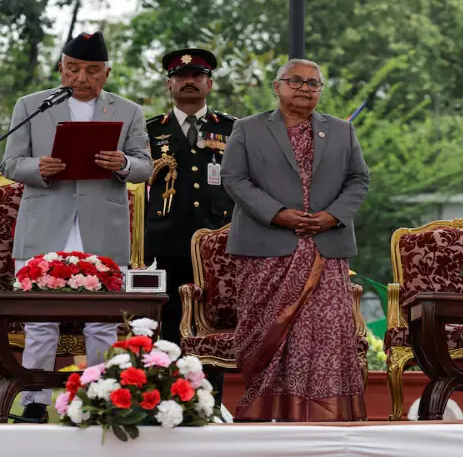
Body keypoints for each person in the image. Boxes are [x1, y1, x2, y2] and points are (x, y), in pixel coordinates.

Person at [0, 31, 153, 422]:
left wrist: (121, 164)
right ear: (61, 68)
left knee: (101, 324)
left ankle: (96, 400)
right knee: (40, 321)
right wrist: (39, 168)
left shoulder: (128, 110)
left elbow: (144, 165)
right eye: (73, 69)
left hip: (101, 226)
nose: (81, 79)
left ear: (107, 72)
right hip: (45, 224)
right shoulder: (32, 105)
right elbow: (11, 163)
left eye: (92, 70)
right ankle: (35, 402)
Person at [221, 58, 370, 422]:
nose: (305, 88)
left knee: (323, 339)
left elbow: (359, 180)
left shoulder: (340, 131)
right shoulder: (248, 128)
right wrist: (277, 213)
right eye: (296, 81)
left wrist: (332, 216)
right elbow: (234, 178)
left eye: (313, 83)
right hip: (266, 249)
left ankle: (323, 419)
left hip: (325, 249)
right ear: (277, 86)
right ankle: (265, 414)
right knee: (265, 335)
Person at [144, 48, 236, 406]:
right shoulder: (150, 130)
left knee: (210, 324)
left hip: (216, 246)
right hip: (163, 242)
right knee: (164, 323)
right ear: (170, 85)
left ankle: (208, 406)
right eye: (181, 77)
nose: (189, 81)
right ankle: (162, 401)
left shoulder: (231, 129)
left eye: (196, 76)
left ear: (209, 83)